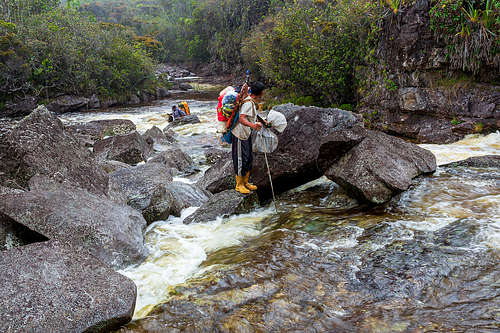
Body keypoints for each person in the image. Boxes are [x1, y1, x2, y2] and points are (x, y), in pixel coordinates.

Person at [231, 81, 265, 194]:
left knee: (248, 158)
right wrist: (253, 126)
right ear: (259, 92)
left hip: (246, 134)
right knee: (240, 159)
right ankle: (239, 185)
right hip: (239, 134)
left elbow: (252, 116)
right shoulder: (248, 103)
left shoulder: (252, 102)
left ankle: (245, 182)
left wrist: (261, 121)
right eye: (263, 91)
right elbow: (242, 118)